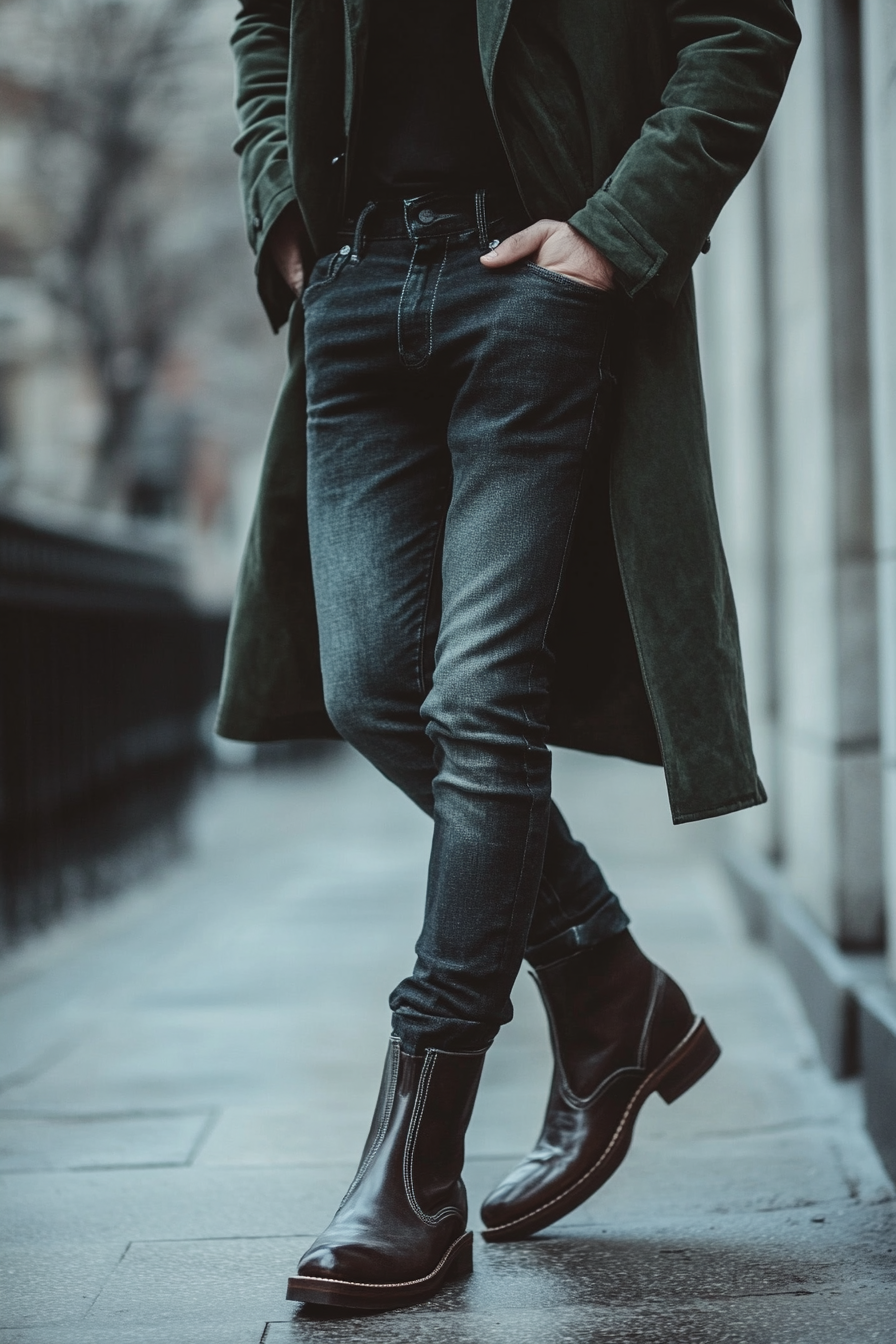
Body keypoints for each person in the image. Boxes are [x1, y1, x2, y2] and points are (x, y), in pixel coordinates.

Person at [221, 0, 801, 1312]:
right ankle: (607, 983)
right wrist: (287, 217)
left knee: (481, 701)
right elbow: (262, 23)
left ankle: (414, 1166)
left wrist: (612, 232)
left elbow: (743, 30)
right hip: (360, 285)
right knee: (371, 682)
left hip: (532, 277)